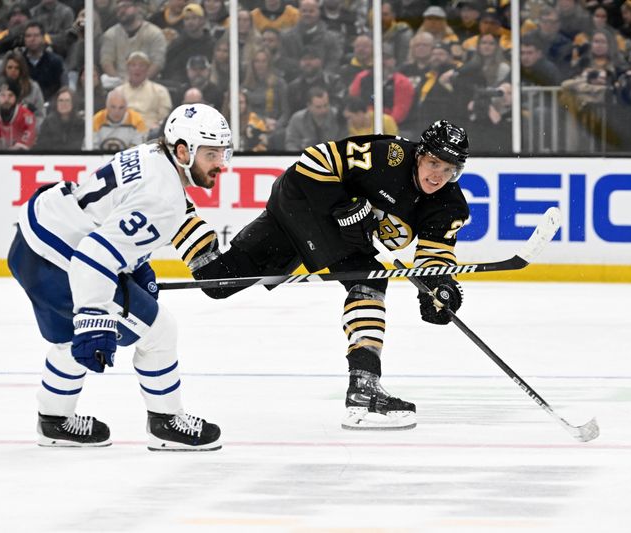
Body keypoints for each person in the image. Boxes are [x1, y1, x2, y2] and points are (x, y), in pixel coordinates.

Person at [172, 120, 470, 430]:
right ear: (419, 155)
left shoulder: (449, 206)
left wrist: (439, 289)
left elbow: (434, 259)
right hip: (300, 203)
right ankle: (363, 389)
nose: (439, 175)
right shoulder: (389, 155)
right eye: (434, 163)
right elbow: (314, 160)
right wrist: (344, 206)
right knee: (369, 280)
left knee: (217, 281)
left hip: (337, 236)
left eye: (450, 169)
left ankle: (178, 216)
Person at [6, 103, 229, 450]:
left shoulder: (151, 154)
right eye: (211, 154)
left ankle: (54, 420)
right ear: (183, 151)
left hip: (31, 242)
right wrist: (93, 317)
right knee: (159, 331)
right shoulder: (165, 197)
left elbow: (110, 212)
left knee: (67, 337)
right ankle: (166, 422)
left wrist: (137, 266)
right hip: (66, 262)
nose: (221, 164)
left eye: (223, 152)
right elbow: (93, 256)